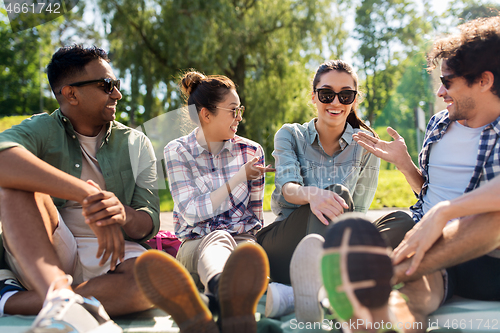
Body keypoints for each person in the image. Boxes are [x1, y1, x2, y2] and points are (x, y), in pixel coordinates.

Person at [348, 16, 500, 332]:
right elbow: (429, 193)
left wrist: (447, 212)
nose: (441, 92)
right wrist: (405, 165)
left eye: (448, 82)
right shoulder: (438, 125)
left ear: (484, 81)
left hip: (490, 258)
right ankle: (382, 317)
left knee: (494, 216)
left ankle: (384, 273)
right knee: (410, 296)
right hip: (433, 257)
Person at [0, 45, 160, 332]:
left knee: (156, 278)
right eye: (106, 85)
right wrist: (88, 195)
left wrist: (119, 213)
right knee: (14, 182)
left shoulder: (136, 143)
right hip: (46, 248)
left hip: (112, 253)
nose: (117, 95)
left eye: (116, 85)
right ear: (71, 94)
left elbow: (148, 223)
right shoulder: (41, 129)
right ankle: (57, 291)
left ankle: (19, 301)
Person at [135, 71, 274, 333]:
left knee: (249, 252)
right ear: (206, 115)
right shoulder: (177, 151)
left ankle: (213, 307)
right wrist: (237, 178)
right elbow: (190, 213)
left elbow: (254, 219)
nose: (239, 117)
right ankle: (222, 292)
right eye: (233, 110)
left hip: (240, 244)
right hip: (195, 246)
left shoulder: (251, 150)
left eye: (240, 109)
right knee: (217, 238)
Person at [255, 60, 380, 320]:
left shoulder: (367, 145)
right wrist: (314, 195)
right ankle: (331, 291)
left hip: (339, 243)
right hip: (285, 244)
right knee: (336, 194)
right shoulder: (290, 135)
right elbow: (288, 189)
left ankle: (308, 292)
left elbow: (359, 213)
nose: (335, 102)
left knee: (401, 221)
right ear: (314, 97)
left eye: (345, 95)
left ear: (354, 100)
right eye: (326, 94)